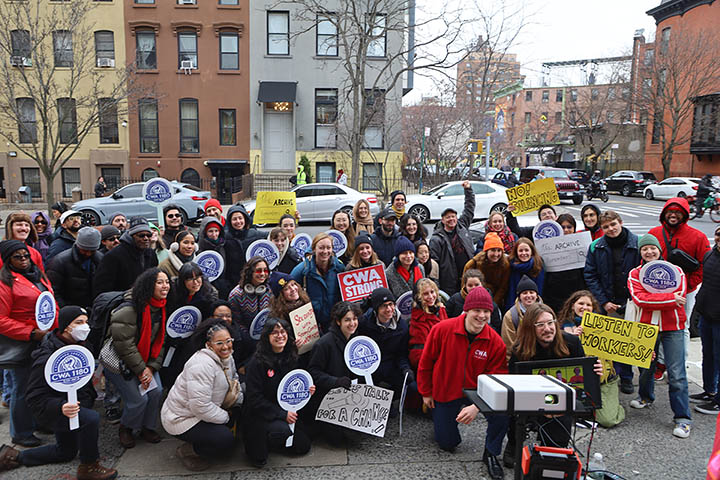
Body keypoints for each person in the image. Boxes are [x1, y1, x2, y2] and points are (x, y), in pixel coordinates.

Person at [0, 307, 117, 479]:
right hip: (55, 409)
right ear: (65, 327)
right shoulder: (47, 356)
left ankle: (12, 456)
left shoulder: (82, 344)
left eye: (86, 322)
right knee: (91, 419)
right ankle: (89, 467)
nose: (85, 327)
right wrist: (61, 406)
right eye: (79, 322)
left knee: (65, 452)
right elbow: (34, 397)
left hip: (75, 404)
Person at [417, 287, 509, 479]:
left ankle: (491, 453)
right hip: (446, 389)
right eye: (477, 310)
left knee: (502, 412)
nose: (482, 316)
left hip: (478, 392)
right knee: (447, 443)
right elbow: (426, 363)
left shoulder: (496, 342)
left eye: (486, 311)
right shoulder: (441, 330)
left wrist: (477, 405)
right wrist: (426, 392)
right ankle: (443, 424)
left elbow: (496, 380)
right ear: (466, 310)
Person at [507, 303, 603, 461]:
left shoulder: (572, 343)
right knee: (513, 417)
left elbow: (583, 382)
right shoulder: (520, 349)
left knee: (556, 451)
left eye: (550, 323)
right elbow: (515, 386)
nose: (547, 329)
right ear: (530, 328)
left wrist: (594, 373)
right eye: (540, 325)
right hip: (531, 401)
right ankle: (513, 443)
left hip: (561, 403)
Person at [627, 233, 692, 438]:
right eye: (644, 249)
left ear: (659, 249)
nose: (649, 252)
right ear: (640, 252)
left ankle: (683, 418)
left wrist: (658, 298)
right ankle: (646, 396)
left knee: (677, 373)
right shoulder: (635, 274)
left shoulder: (676, 271)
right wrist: (670, 299)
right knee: (645, 367)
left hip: (673, 326)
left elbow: (681, 296)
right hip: (646, 326)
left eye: (652, 248)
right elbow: (640, 299)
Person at [161, 320, 241, 471]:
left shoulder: (227, 356)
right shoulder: (201, 365)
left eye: (228, 341)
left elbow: (234, 380)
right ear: (209, 344)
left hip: (209, 409)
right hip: (183, 417)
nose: (225, 346)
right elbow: (200, 407)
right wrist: (226, 417)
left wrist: (239, 402)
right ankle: (189, 450)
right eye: (219, 343)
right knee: (224, 440)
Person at [103, 268, 169, 449]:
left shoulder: (161, 306)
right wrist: (141, 370)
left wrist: (152, 367)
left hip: (145, 360)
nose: (165, 286)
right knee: (138, 400)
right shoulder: (129, 309)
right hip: (119, 361)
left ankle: (147, 427)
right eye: (159, 282)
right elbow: (124, 345)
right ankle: (126, 427)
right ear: (148, 285)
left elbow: (160, 341)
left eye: (167, 282)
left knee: (156, 392)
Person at [0, 240, 57, 447]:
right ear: (8, 260)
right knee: (22, 388)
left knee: (41, 386)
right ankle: (21, 432)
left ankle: (39, 422)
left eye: (26, 256)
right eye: (18, 257)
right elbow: (1, 319)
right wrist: (30, 333)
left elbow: (50, 303)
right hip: (21, 343)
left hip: (44, 339)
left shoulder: (38, 275)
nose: (24, 260)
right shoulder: (4, 283)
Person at [242, 318, 315, 467]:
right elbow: (254, 399)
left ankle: (277, 442)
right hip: (260, 414)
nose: (280, 336)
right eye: (274, 332)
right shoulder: (256, 362)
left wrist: (307, 389)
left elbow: (297, 381)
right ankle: (263, 441)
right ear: (266, 336)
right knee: (260, 456)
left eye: (283, 331)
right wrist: (281, 414)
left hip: (285, 409)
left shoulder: (291, 356)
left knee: (303, 446)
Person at [584, 210, 640, 394]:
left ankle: (627, 377)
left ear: (620, 222)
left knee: (628, 341)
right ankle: (611, 374)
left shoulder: (637, 243)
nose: (611, 229)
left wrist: (633, 299)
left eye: (613, 224)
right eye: (606, 226)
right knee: (610, 342)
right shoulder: (596, 247)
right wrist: (604, 301)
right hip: (607, 301)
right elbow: (590, 275)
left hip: (631, 301)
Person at [648, 197, 710, 336]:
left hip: (686, 291)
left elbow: (705, 264)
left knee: (682, 325)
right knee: (655, 324)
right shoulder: (654, 233)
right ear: (664, 214)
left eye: (678, 212)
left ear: (685, 215)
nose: (673, 215)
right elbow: (644, 259)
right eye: (669, 211)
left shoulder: (698, 237)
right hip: (656, 289)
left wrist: (687, 285)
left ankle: (681, 350)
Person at [307, 301, 360, 442]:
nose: (352, 323)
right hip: (329, 396)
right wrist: (335, 381)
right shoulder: (324, 344)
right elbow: (313, 372)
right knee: (337, 439)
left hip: (350, 394)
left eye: (355, 319)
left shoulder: (357, 339)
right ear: (338, 321)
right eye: (347, 320)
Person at [358, 288, 413, 397]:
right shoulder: (364, 323)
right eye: (384, 306)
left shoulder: (402, 327)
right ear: (376, 309)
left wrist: (406, 369)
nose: (388, 309)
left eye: (391, 304)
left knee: (410, 386)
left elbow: (401, 354)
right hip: (370, 367)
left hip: (391, 365)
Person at [290, 233, 344, 333]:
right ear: (314, 249)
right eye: (321, 248)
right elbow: (289, 293)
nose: (325, 251)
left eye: (328, 248)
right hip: (310, 322)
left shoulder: (339, 268)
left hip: (333, 320)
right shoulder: (301, 270)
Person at [429, 180, 475, 295]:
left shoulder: (462, 226)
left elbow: (469, 208)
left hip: (468, 276)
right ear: (442, 220)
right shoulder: (436, 239)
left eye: (453, 216)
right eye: (448, 217)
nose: (451, 219)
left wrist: (468, 190)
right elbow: (434, 264)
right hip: (449, 282)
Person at [94, 217, 159, 297]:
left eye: (149, 235)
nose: (146, 238)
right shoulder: (113, 256)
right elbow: (101, 288)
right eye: (141, 235)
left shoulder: (151, 254)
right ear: (132, 236)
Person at [694, 224, 720, 413]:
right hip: (706, 315)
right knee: (708, 355)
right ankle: (709, 391)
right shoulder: (710, 255)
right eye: (718, 234)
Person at [47, 227, 102, 309]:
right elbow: (54, 291)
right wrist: (67, 311)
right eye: (84, 250)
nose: (88, 254)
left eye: (92, 251)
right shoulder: (60, 262)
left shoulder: (100, 259)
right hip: (71, 308)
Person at [542, 214, 586, 313]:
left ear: (574, 228)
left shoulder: (583, 244)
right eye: (562, 227)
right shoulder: (547, 246)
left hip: (576, 293)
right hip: (555, 295)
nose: (566, 230)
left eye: (569, 227)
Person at [445, 270, 502, 334]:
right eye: (470, 285)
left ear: (482, 284)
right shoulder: (455, 299)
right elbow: (445, 317)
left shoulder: (492, 304)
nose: (474, 288)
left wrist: (480, 325)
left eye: (477, 285)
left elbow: (497, 328)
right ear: (465, 286)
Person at [463, 232, 510, 307]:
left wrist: (493, 304)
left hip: (494, 301)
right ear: (486, 251)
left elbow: (503, 288)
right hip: (473, 300)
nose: (496, 254)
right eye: (493, 250)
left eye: (499, 250)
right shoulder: (473, 263)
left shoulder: (505, 265)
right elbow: (464, 286)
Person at [224, 205, 265, 290]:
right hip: (233, 281)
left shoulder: (254, 234)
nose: (238, 221)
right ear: (230, 221)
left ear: (245, 219)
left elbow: (273, 236)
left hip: (252, 279)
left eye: (240, 218)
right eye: (234, 219)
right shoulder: (225, 237)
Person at [409, 278, 447, 370]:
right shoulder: (418, 320)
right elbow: (418, 355)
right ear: (419, 297)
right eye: (425, 294)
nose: (431, 296)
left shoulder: (440, 309)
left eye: (432, 292)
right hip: (431, 364)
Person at [501, 275, 542, 355]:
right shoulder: (511, 316)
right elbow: (509, 345)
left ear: (537, 295)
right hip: (521, 357)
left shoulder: (546, 312)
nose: (528, 296)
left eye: (531, 292)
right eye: (524, 293)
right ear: (519, 296)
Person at [229, 256, 271, 331]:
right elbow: (236, 322)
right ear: (250, 272)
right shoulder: (236, 294)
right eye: (258, 271)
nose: (262, 274)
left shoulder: (270, 290)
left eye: (265, 270)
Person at [505, 238, 545, 311]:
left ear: (531, 251)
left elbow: (540, 288)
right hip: (514, 305)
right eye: (520, 251)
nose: (523, 253)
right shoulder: (510, 265)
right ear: (516, 252)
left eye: (526, 250)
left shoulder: (538, 265)